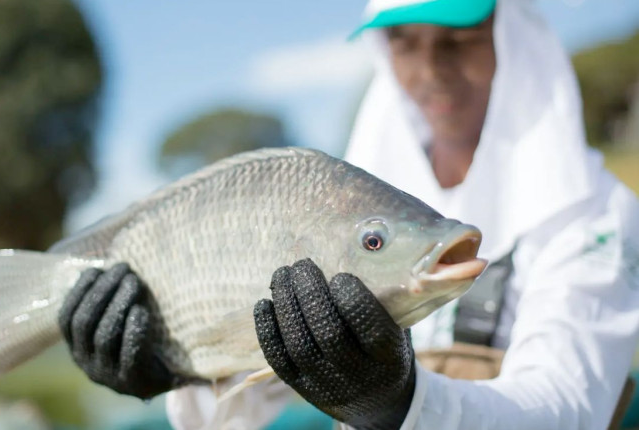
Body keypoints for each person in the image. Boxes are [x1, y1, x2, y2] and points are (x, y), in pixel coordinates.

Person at [58, 0, 639, 428]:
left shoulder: (595, 215)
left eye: (460, 36)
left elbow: (568, 406)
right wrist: (177, 370)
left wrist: (395, 403)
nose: (430, 68)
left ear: (513, 36)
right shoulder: (357, 207)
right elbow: (242, 409)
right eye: (403, 41)